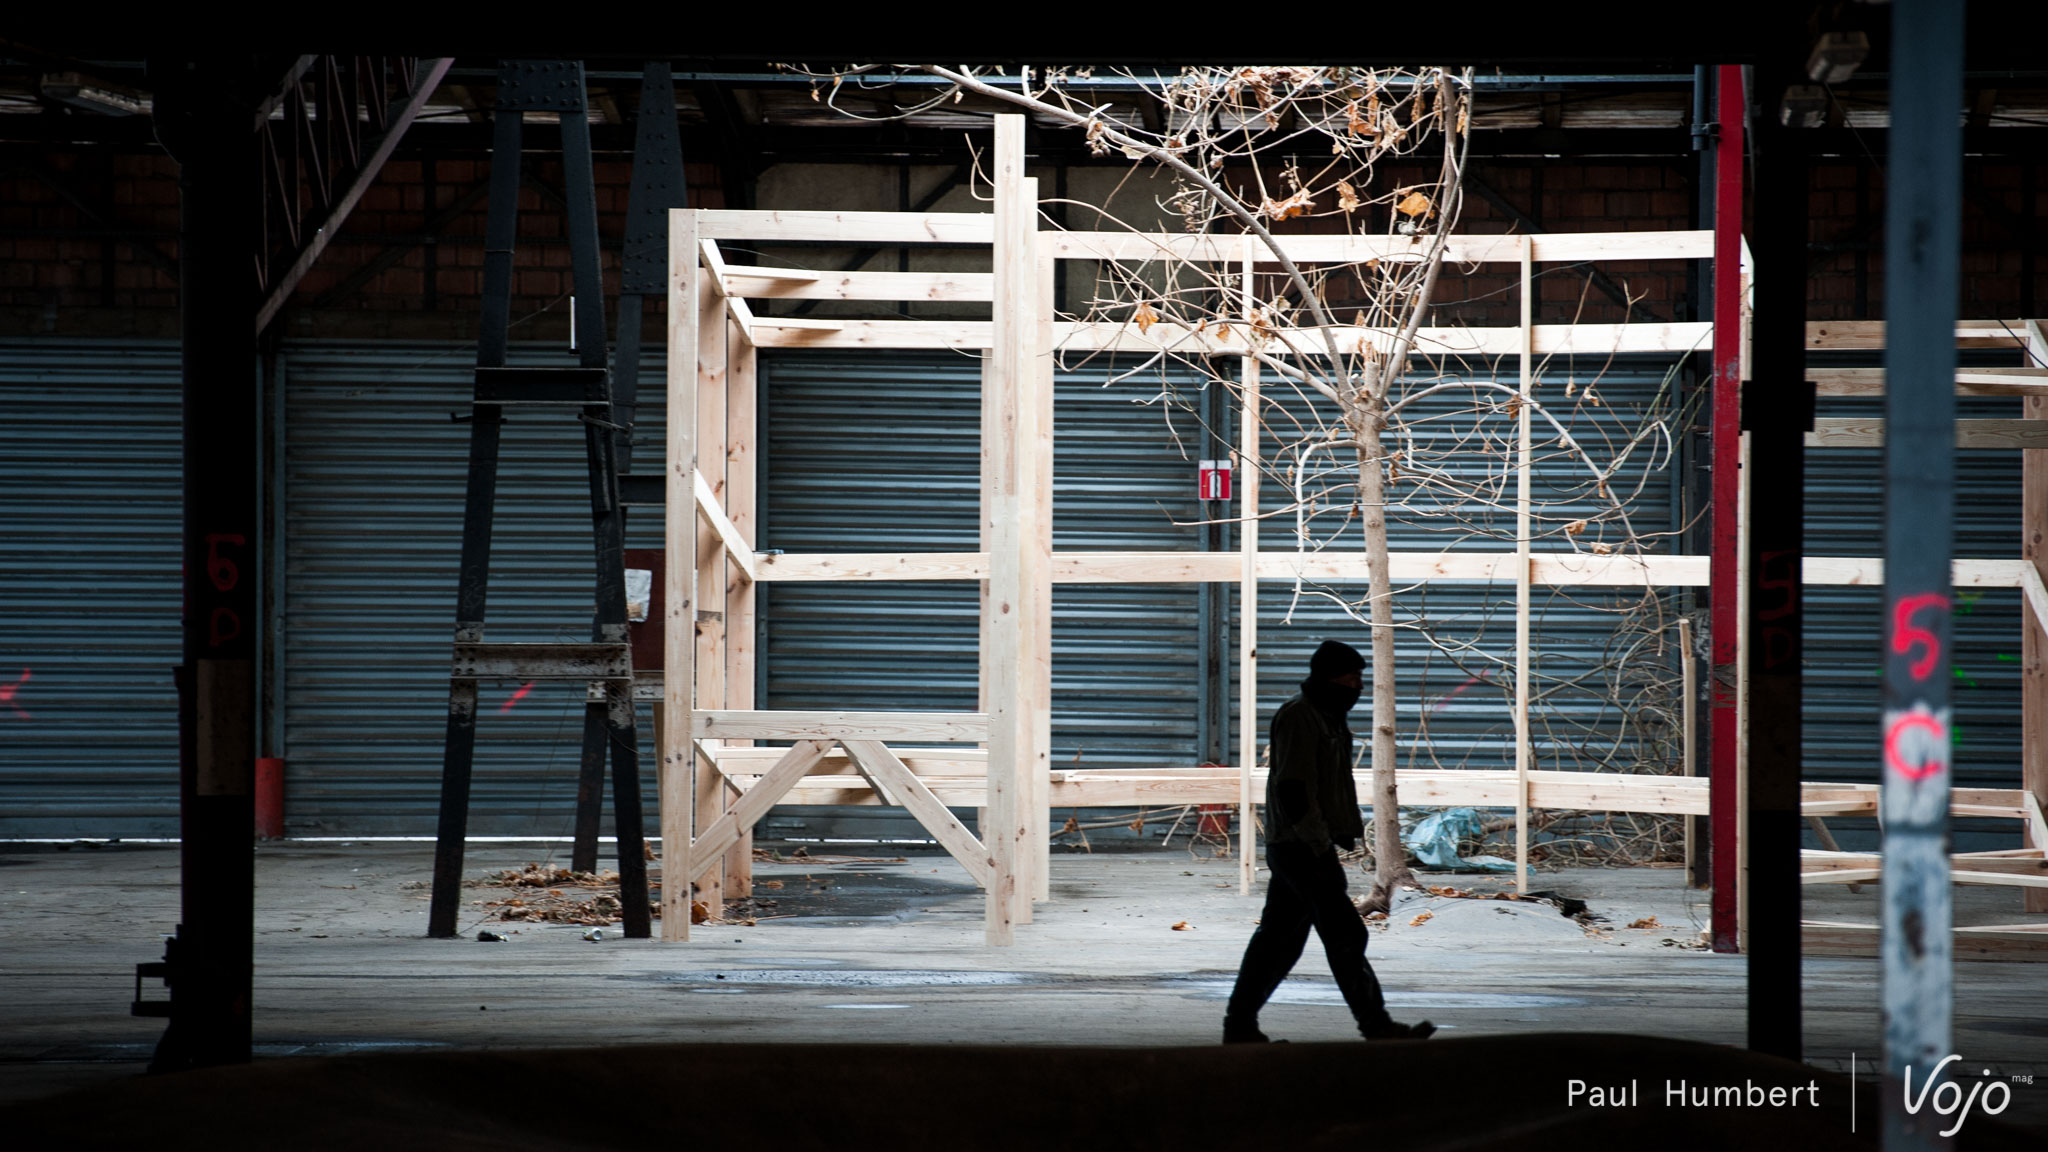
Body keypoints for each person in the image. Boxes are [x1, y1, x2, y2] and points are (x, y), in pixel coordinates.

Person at [1223, 639, 1434, 1044]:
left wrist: (1340, 830)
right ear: (1330, 677)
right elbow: (1294, 789)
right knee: (1345, 935)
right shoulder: (1301, 717)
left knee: (1278, 943)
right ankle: (1377, 1027)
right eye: (1351, 677)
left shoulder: (1327, 715)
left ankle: (1239, 1026)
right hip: (1301, 848)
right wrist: (1319, 845)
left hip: (1304, 846)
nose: (1358, 685)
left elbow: (1328, 784)